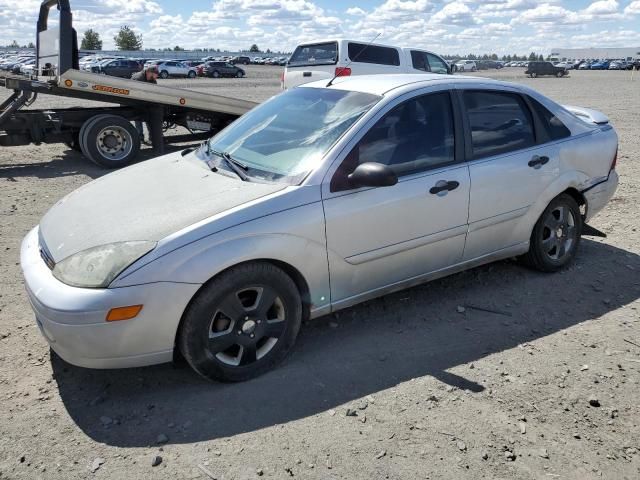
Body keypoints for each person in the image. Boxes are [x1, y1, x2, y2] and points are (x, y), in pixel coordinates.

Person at [130, 66, 159, 144]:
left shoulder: (152, 79)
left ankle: (152, 138)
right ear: (149, 72)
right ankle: (140, 138)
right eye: (156, 74)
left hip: (146, 102)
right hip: (136, 101)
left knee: (149, 119)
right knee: (138, 120)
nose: (157, 76)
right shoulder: (138, 78)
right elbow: (135, 92)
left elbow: (154, 90)